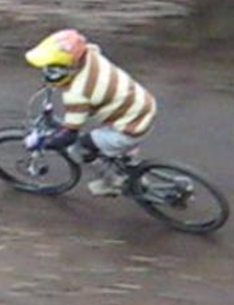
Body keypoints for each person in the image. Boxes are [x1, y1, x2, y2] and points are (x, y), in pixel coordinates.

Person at [25, 29, 157, 196]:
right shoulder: (91, 54)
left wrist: (42, 142)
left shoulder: (77, 94)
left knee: (80, 147)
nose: (48, 73)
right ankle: (130, 165)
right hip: (143, 105)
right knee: (114, 148)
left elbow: (69, 135)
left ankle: (111, 182)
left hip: (130, 128)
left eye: (54, 70)